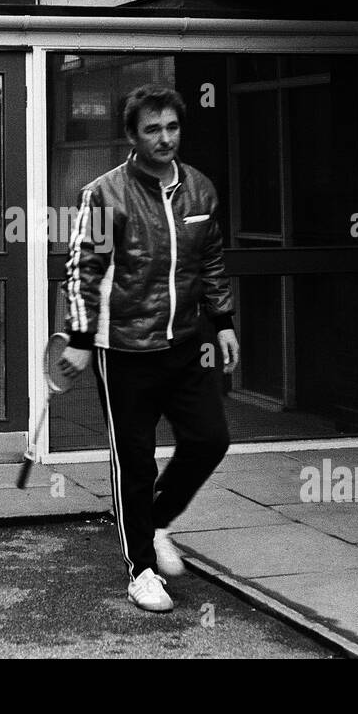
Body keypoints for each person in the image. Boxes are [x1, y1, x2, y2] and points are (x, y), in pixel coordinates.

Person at [59, 84, 239, 613]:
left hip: (184, 343)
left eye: (172, 127)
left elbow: (210, 260)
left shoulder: (200, 189)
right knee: (134, 460)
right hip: (124, 349)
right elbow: (82, 272)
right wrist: (79, 338)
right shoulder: (104, 194)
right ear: (132, 137)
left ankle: (157, 521)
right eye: (152, 129)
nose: (165, 138)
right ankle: (140, 569)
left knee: (210, 439)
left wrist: (223, 321)